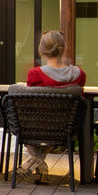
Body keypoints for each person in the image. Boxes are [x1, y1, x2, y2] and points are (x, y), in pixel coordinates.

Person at [22, 29, 86, 179]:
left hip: (37, 126)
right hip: (67, 126)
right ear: (63, 49)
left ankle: (37, 159)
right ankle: (40, 158)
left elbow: (30, 103)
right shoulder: (79, 75)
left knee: (21, 122)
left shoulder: (34, 74)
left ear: (41, 50)